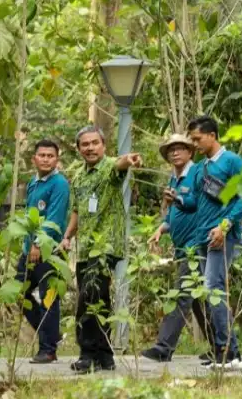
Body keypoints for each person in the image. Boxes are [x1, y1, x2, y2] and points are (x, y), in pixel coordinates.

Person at [59, 126, 142, 374]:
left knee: (88, 298)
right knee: (98, 298)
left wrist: (128, 160)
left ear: (103, 145)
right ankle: (105, 356)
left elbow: (120, 166)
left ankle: (87, 355)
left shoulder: (108, 168)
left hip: (106, 245)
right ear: (79, 149)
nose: (90, 148)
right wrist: (67, 236)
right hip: (86, 248)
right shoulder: (79, 178)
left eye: (95, 143)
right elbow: (77, 211)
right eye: (85, 144)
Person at [141, 134, 214, 362]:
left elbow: (195, 204)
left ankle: (164, 347)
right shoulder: (175, 178)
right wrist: (161, 229)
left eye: (180, 148)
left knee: (182, 294)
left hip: (196, 246)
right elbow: (175, 214)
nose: (175, 153)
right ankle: (223, 347)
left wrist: (178, 200)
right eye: (171, 150)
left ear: (190, 152)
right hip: (183, 248)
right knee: (199, 301)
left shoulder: (197, 174)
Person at [184, 116, 242, 370]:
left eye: (198, 139)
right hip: (201, 236)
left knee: (213, 288)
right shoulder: (200, 167)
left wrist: (224, 226)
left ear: (212, 135)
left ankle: (228, 352)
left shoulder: (232, 161)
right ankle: (227, 350)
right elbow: (196, 204)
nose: (195, 144)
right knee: (210, 291)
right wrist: (177, 200)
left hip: (222, 236)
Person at [16, 139, 70, 364]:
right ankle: (53, 334)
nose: (46, 159)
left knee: (49, 299)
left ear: (57, 159)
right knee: (20, 294)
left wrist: (39, 243)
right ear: (34, 159)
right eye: (42, 155)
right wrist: (26, 245)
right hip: (29, 250)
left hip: (48, 251)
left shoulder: (59, 184)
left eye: (51, 155)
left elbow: (55, 217)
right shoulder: (33, 183)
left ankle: (48, 350)